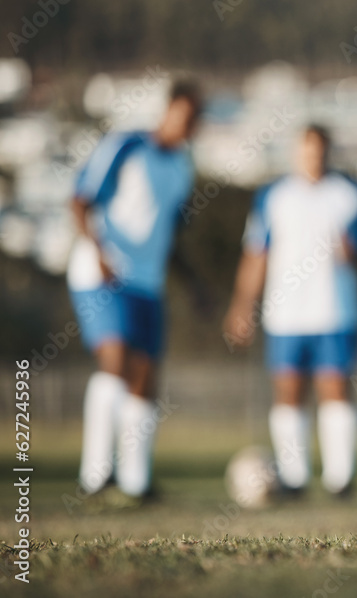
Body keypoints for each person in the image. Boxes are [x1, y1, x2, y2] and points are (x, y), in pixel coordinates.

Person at [224, 125, 357, 497]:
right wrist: (242, 305)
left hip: (336, 311)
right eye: (307, 150)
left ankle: (340, 479)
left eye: (320, 150)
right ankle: (294, 479)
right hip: (285, 313)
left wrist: (352, 250)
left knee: (335, 388)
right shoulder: (273, 197)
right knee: (289, 392)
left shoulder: (349, 194)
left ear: (328, 152)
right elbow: (256, 254)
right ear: (296, 152)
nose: (313, 157)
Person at [70, 79, 202, 500]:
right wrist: (99, 251)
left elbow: (170, 237)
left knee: (145, 376)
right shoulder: (126, 146)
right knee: (116, 359)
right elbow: (79, 200)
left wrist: (194, 284)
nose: (188, 125)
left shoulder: (183, 167)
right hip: (103, 274)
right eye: (183, 115)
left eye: (196, 120)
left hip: (149, 283)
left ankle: (135, 481)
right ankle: (94, 476)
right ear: (168, 111)